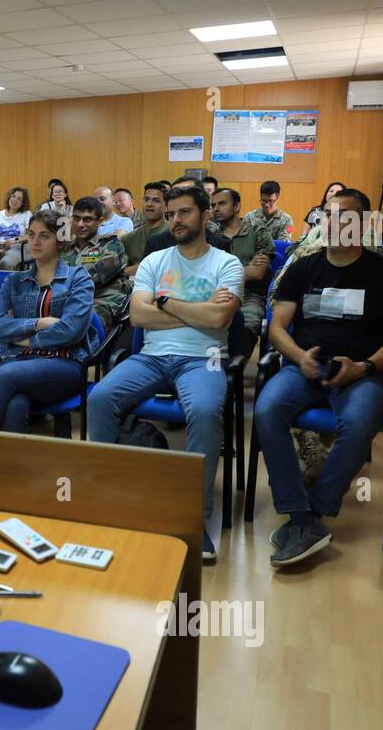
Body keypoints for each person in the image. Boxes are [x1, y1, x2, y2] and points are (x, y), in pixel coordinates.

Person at [255, 187, 383, 568]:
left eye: (344, 215)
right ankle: (300, 514)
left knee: (358, 424)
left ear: (362, 224)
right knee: (266, 411)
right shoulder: (304, 268)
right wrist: (297, 357)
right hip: (306, 365)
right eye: (328, 214)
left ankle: (315, 511)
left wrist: (366, 367)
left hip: (361, 372)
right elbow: (276, 328)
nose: (333, 221)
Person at [88, 186, 243, 562]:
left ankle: (191, 518)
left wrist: (166, 301)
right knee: (99, 398)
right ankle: (109, 500)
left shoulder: (227, 264)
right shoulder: (155, 261)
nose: (176, 220)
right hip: (152, 356)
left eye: (185, 212)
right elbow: (139, 316)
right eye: (172, 213)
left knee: (205, 413)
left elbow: (220, 318)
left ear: (206, 216)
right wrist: (198, 308)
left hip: (204, 357)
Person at [0, 210, 99, 434]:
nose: (35, 242)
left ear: (60, 241)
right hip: (18, 362)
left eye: (44, 236)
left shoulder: (78, 277)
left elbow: (71, 331)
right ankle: (15, 468)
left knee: (5, 376)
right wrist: (40, 323)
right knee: (15, 405)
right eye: (31, 234)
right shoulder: (14, 281)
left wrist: (24, 341)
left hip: (63, 364)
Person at [211, 187, 274, 354]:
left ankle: (235, 369)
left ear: (237, 206)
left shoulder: (258, 232)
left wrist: (221, 274)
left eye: (222, 203)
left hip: (249, 295)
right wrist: (247, 267)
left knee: (248, 323)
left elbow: (258, 273)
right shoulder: (209, 236)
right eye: (213, 205)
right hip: (215, 293)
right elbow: (206, 274)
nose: (216, 208)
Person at [64, 196, 128, 331]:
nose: (80, 224)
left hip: (99, 302)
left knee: (75, 322)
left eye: (87, 219)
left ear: (99, 222)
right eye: (76, 218)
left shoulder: (112, 246)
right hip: (67, 301)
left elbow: (91, 279)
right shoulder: (64, 248)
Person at [119, 181, 169, 278]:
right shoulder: (128, 239)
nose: (149, 204)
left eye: (156, 200)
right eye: (146, 199)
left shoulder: (174, 233)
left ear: (166, 207)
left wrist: (136, 269)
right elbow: (120, 270)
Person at [0, 185, 32, 270]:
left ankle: (9, 283)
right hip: (0, 247)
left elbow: (31, 235)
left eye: (19, 199)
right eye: (13, 196)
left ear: (23, 203)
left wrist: (15, 241)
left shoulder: (27, 214)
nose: (15, 200)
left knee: (5, 263)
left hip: (19, 247)